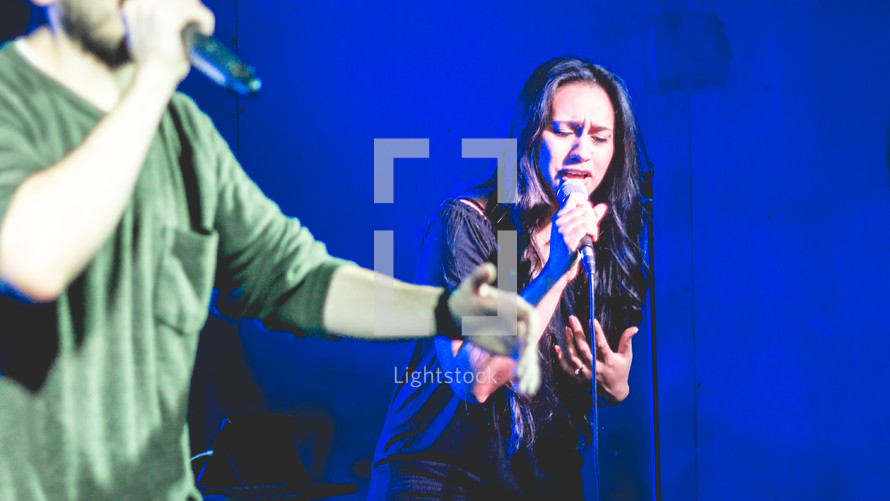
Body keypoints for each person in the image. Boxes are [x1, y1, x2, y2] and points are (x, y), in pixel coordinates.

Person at [0, 1, 540, 499]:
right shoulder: (15, 101)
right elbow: (31, 260)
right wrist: (154, 79)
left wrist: (444, 312)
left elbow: (295, 278)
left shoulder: (183, 135)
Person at [370, 56, 649, 499]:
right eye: (564, 131)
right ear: (529, 133)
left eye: (600, 137)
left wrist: (614, 384)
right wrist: (555, 272)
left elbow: (586, 377)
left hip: (544, 481)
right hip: (441, 476)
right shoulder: (467, 224)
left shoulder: (604, 245)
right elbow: (475, 379)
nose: (583, 151)